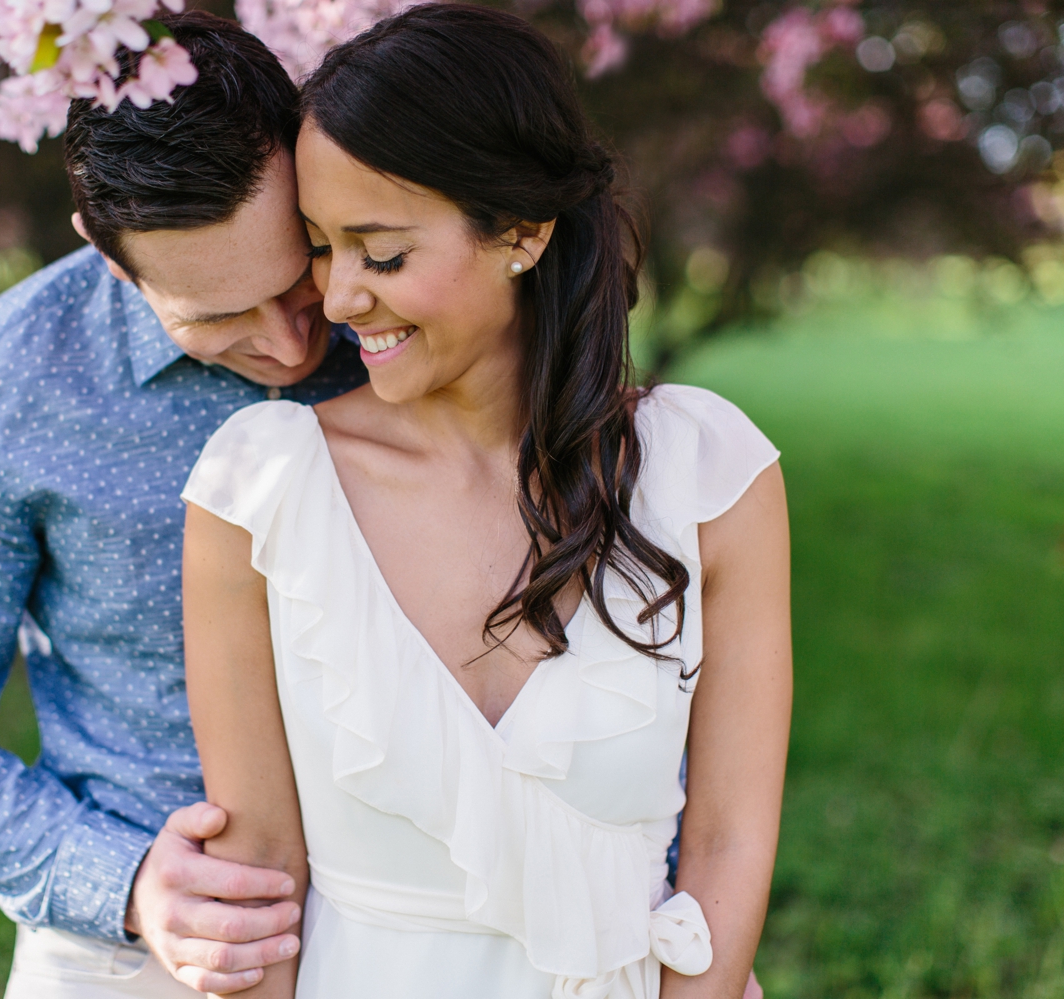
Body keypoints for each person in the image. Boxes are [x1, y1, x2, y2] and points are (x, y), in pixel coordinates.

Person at [180, 6, 792, 998]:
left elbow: (728, 842)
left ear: (521, 231)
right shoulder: (259, 489)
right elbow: (259, 888)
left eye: (379, 252)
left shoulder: (711, 473)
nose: (336, 301)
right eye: (321, 248)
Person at [0, 13, 367, 997]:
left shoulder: (418, 317)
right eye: (218, 317)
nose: (293, 350)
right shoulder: (5, 386)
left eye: (301, 283)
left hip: (440, 929)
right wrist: (128, 886)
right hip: (141, 956)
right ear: (110, 256)